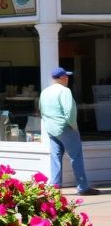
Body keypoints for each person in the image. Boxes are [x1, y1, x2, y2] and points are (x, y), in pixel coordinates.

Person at [40, 68, 100, 196]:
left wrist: (49, 125)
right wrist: (74, 127)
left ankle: (55, 186)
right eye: (66, 77)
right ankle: (83, 187)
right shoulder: (65, 91)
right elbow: (70, 112)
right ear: (63, 78)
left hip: (51, 129)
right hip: (65, 128)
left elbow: (41, 110)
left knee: (55, 157)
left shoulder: (45, 92)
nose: (67, 79)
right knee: (76, 156)